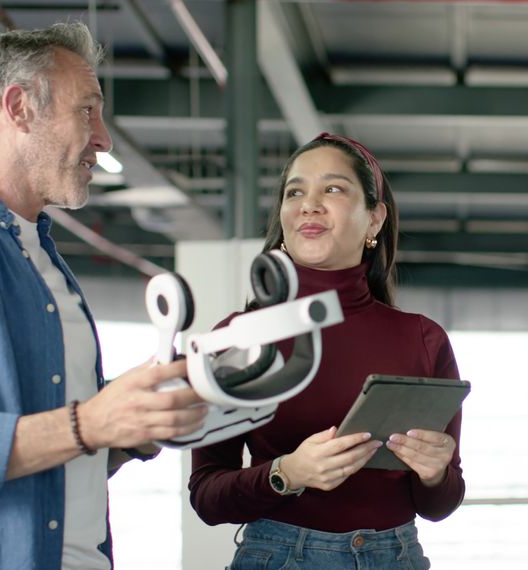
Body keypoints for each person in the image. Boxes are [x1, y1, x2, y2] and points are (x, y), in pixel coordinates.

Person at [0, 23, 208, 569]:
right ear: (19, 108)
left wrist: (132, 425)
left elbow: (53, 452)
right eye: (87, 111)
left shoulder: (38, 255)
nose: (104, 139)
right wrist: (90, 423)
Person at [188, 133, 464, 568]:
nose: (309, 205)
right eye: (295, 192)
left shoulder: (424, 340)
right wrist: (287, 473)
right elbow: (206, 497)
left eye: (332, 189)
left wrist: (434, 473)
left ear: (374, 220)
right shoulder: (239, 339)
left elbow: (441, 504)